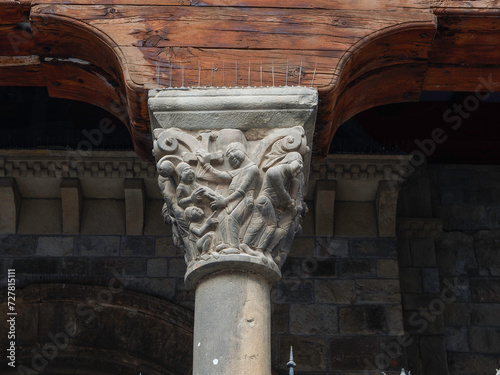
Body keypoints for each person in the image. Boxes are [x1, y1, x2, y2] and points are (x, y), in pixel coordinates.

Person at [196, 142, 260, 253]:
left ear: (243, 151)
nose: (231, 156)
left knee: (231, 219)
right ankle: (227, 243)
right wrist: (206, 165)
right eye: (228, 155)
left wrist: (225, 201)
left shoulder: (252, 169)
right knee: (222, 217)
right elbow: (223, 176)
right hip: (234, 200)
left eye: (233, 151)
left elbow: (241, 190)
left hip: (244, 200)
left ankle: (234, 247)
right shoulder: (239, 170)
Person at [241, 152, 304, 263]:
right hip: (264, 200)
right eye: (299, 163)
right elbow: (282, 192)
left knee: (258, 222)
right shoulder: (274, 172)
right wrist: (290, 204)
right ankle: (260, 249)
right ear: (290, 160)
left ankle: (246, 244)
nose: (300, 169)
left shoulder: (287, 177)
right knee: (271, 224)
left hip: (268, 203)